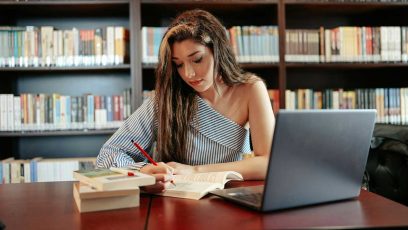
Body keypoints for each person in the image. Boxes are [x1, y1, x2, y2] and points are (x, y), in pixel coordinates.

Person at [97, 9, 275, 193]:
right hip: (173, 200)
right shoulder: (163, 99)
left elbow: (268, 162)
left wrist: (195, 171)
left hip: (227, 198)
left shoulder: (251, 89)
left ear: (218, 50)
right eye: (179, 64)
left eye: (197, 59)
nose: (189, 74)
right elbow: (107, 155)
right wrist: (143, 171)